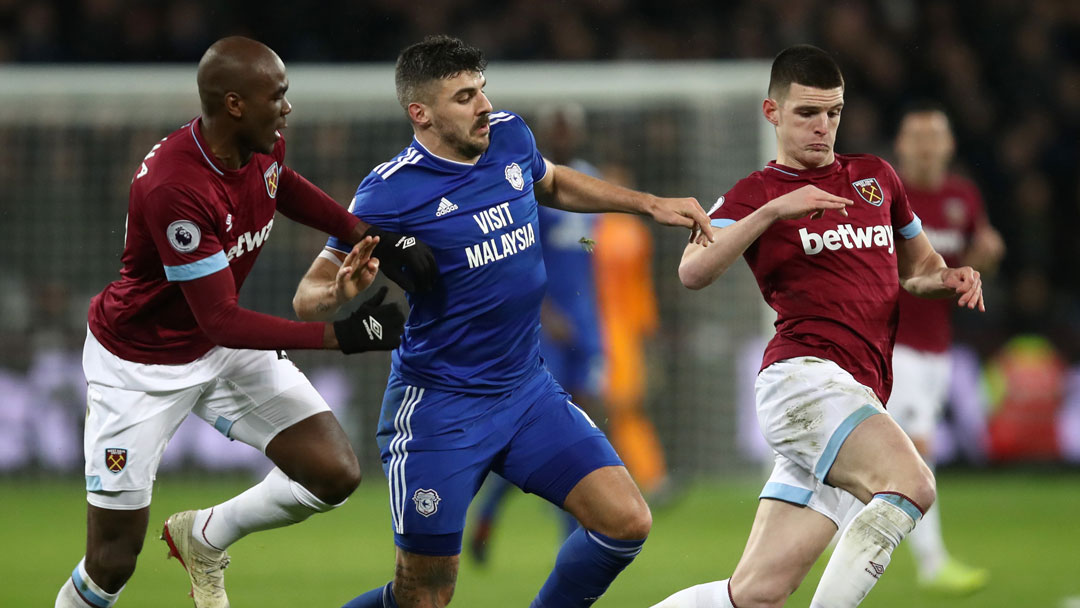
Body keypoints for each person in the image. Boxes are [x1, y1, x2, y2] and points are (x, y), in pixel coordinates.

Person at [292, 35, 713, 608]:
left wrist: (647, 203)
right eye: (464, 96)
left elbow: (554, 181)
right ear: (422, 113)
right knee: (424, 595)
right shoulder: (389, 193)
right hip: (440, 408)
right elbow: (307, 297)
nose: (483, 105)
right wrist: (336, 291)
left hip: (525, 392)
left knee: (625, 522)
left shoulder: (509, 136)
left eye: (482, 90)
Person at [55, 36, 437, 608]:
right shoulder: (176, 189)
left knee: (332, 472)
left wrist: (364, 232)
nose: (287, 108)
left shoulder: (261, 145)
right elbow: (221, 320)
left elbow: (283, 185)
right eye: (277, 95)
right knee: (112, 561)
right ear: (235, 103)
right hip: (142, 366)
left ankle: (204, 538)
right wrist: (344, 336)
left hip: (217, 352)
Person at [651, 44, 984, 608]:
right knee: (911, 484)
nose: (823, 126)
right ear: (772, 112)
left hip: (854, 395)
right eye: (807, 113)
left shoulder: (875, 178)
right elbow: (692, 271)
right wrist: (773, 213)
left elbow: (920, 269)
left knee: (757, 593)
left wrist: (951, 277)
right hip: (804, 380)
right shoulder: (755, 193)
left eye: (833, 112)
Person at [467, 104, 605, 564]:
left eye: (570, 126)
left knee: (587, 424)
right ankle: (571, 535)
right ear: (547, 132)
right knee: (559, 433)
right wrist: (547, 310)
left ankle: (495, 513)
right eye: (557, 127)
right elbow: (521, 257)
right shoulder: (525, 183)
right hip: (548, 325)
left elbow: (588, 251)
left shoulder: (585, 179)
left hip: (587, 322)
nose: (563, 133)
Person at [886, 101, 1004, 595]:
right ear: (901, 145)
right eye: (917, 136)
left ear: (950, 145)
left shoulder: (963, 197)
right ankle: (932, 561)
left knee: (887, 458)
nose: (927, 146)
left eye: (935, 136)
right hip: (893, 344)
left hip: (937, 347)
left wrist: (985, 257)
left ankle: (821, 539)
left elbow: (974, 262)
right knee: (917, 453)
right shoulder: (887, 196)